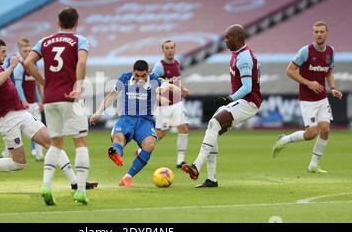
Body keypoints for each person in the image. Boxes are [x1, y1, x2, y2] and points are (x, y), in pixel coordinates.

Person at [0, 37, 88, 205]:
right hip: (6, 119)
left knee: (51, 141)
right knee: (19, 164)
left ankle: (75, 182)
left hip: (21, 112)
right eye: (3, 52)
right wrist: (11, 66)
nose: (5, 55)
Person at [180, 24, 262, 188]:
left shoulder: (244, 57)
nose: (225, 41)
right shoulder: (237, 54)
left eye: (228, 38)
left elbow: (247, 87)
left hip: (249, 101)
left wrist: (229, 99)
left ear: (238, 38)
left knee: (214, 123)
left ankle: (196, 166)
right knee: (213, 130)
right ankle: (211, 179)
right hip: (242, 100)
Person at [24, 7, 91, 205]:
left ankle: (46, 185)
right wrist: (78, 85)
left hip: (51, 98)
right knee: (80, 142)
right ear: (76, 23)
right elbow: (81, 62)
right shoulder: (80, 40)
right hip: (69, 96)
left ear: (58, 23)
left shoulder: (44, 41)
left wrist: (44, 82)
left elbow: (28, 62)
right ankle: (80, 190)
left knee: (56, 143)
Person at [90, 60, 181, 187]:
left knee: (149, 144)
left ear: (147, 73)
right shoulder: (124, 78)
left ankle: (127, 178)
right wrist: (98, 112)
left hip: (145, 121)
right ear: (133, 72)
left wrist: (166, 87)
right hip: (126, 118)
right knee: (118, 138)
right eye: (137, 75)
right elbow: (112, 95)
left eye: (143, 76)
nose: (140, 79)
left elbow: (177, 92)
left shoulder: (155, 79)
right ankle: (116, 153)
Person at [272, 21, 343, 173]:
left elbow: (329, 71)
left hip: (322, 98)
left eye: (321, 31)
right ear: (313, 34)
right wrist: (308, 83)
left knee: (325, 130)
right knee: (311, 134)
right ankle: (283, 140)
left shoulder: (331, 52)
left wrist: (333, 88)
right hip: (307, 99)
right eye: (316, 32)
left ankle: (313, 165)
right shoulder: (306, 51)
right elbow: (290, 71)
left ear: (326, 33)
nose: (319, 34)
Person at [136, 40, 190, 168]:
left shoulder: (177, 63)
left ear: (175, 49)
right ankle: (141, 150)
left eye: (172, 47)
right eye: (167, 48)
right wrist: (160, 98)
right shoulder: (159, 66)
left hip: (177, 102)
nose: (170, 50)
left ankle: (180, 161)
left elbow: (175, 81)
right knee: (160, 133)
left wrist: (183, 89)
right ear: (163, 50)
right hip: (163, 106)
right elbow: (152, 83)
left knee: (183, 128)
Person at [12, 38, 44, 161]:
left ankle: (39, 154)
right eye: (25, 51)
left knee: (39, 128)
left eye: (30, 51)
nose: (28, 53)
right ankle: (9, 152)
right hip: (23, 105)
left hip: (34, 104)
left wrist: (39, 100)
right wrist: (23, 101)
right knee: (17, 130)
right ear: (21, 51)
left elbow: (35, 85)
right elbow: (18, 86)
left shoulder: (34, 65)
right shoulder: (20, 67)